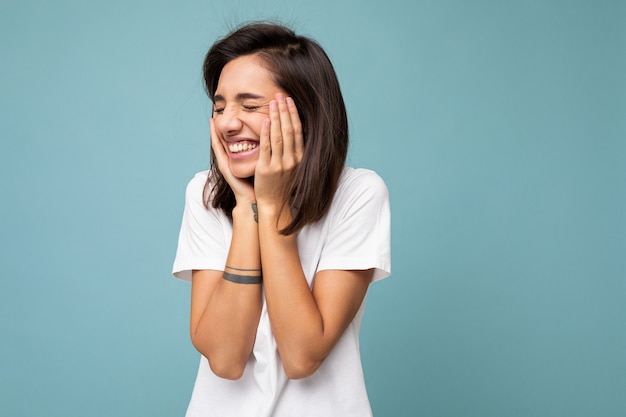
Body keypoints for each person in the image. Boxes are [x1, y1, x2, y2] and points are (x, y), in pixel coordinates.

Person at [172, 22, 391, 417]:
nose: (226, 123)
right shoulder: (203, 194)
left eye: (249, 105)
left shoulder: (359, 194)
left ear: (303, 112)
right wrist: (247, 209)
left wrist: (272, 210)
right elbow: (225, 359)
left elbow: (302, 355)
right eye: (219, 107)